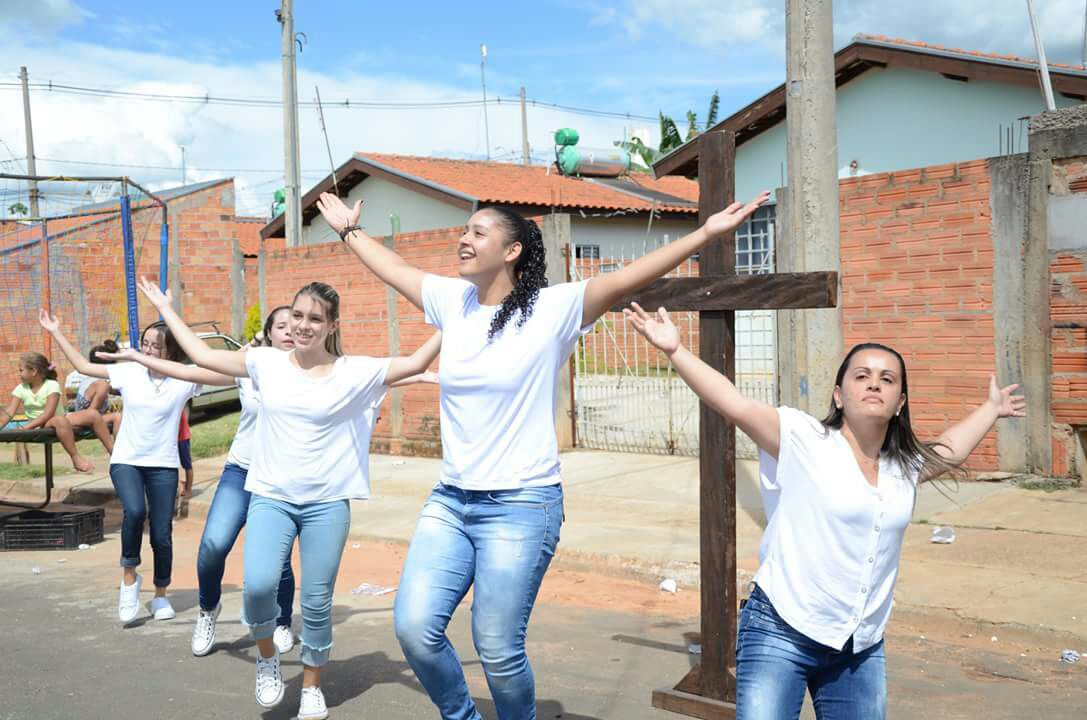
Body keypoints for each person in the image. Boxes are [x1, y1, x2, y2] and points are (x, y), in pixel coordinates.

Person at [315, 189, 770, 720]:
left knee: (497, 647)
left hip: (522, 504)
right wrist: (349, 230)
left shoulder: (553, 309)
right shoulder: (450, 302)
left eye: (478, 232)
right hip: (452, 501)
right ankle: (460, 715)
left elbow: (630, 277)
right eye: (465, 230)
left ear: (512, 252)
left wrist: (706, 234)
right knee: (414, 628)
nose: (464, 238)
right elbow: (391, 267)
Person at [623, 303, 1026, 720]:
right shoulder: (804, 439)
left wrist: (991, 409)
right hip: (782, 630)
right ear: (839, 394)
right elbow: (734, 403)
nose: (874, 385)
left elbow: (949, 449)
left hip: (859, 646)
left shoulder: (902, 466)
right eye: (862, 376)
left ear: (900, 402)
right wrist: (675, 350)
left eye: (887, 379)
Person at [136, 276, 442, 720]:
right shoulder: (266, 362)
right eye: (297, 316)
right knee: (259, 587)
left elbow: (415, 361)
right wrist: (166, 308)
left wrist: (452, 319)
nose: (302, 326)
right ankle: (267, 658)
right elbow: (202, 355)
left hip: (327, 503)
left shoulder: (354, 371)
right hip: (271, 497)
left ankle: (312, 686)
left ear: (332, 325)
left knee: (316, 603)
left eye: (314, 319)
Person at [98, 306, 300, 658]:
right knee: (212, 548)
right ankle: (208, 610)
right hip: (241, 471)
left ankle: (281, 621)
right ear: (268, 334)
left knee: (276, 559)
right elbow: (196, 364)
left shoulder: (310, 373)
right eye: (279, 325)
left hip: (279, 479)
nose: (288, 331)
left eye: (293, 325)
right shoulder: (250, 367)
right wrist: (139, 356)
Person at [40, 312, 201, 623]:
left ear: (171, 352)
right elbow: (84, 367)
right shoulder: (129, 372)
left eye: (156, 346)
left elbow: (211, 363)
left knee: (162, 533)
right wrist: (57, 332)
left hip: (163, 465)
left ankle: (160, 595)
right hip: (126, 459)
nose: (148, 350)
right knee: (135, 512)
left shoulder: (184, 379)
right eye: (145, 344)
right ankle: (129, 581)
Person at [1, 351, 95, 472]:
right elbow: (9, 412)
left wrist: (27, 427)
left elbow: (48, 413)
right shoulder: (21, 388)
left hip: (51, 421)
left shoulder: (51, 385)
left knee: (61, 420)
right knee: (61, 420)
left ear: (34, 371)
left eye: (21, 370)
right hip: (37, 424)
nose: (19, 374)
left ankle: (75, 457)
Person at [65, 338, 121, 451]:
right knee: (117, 416)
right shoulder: (102, 385)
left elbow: (114, 390)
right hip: (84, 420)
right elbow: (91, 413)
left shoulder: (92, 380)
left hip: (78, 416)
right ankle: (119, 450)